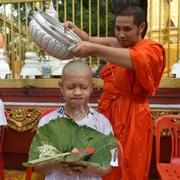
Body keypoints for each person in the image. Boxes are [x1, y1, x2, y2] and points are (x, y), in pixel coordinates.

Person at [63, 5, 166, 180]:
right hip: (108, 116)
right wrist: (75, 30)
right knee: (105, 166)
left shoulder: (151, 49)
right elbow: (89, 39)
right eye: (117, 29)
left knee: (130, 166)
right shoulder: (116, 44)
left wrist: (95, 49)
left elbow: (135, 60)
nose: (121, 34)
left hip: (134, 118)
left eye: (127, 29)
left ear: (141, 27)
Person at [34, 60, 118, 180]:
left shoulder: (102, 123)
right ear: (61, 87)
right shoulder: (47, 122)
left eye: (83, 87)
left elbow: (109, 166)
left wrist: (85, 165)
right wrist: (58, 163)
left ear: (91, 87)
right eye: (71, 87)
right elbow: (37, 166)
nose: (77, 92)